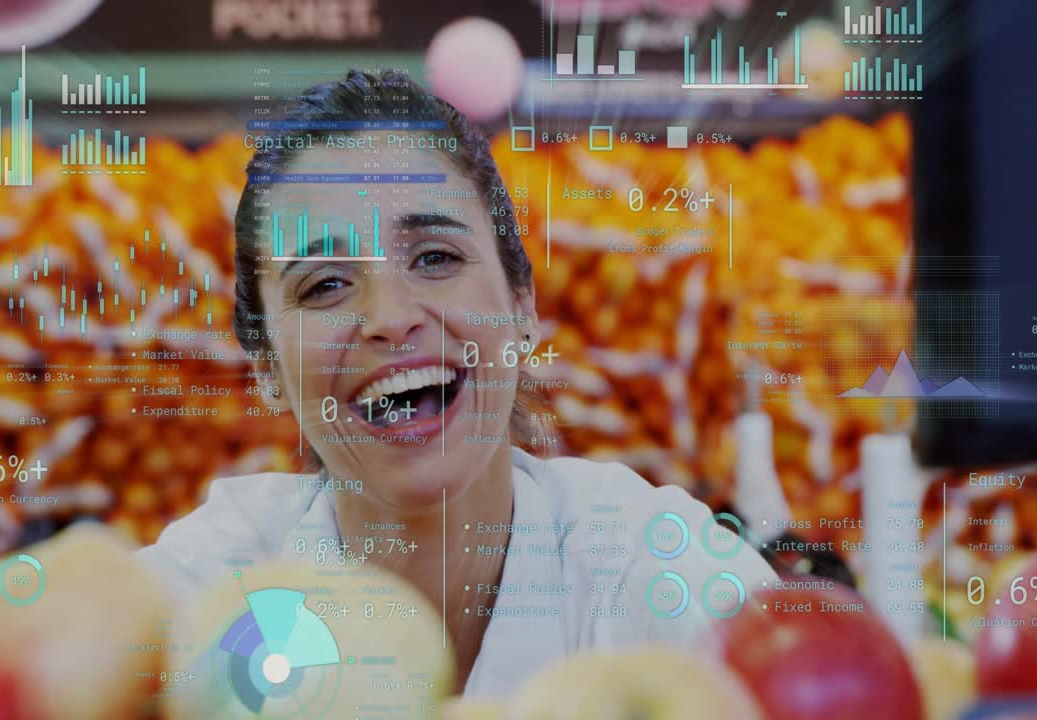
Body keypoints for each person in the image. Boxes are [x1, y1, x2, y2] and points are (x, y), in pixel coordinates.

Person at [137, 69, 778, 697]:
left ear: (522, 306)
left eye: (435, 258)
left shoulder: (654, 574)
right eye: (325, 284)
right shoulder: (214, 587)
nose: (390, 318)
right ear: (267, 369)